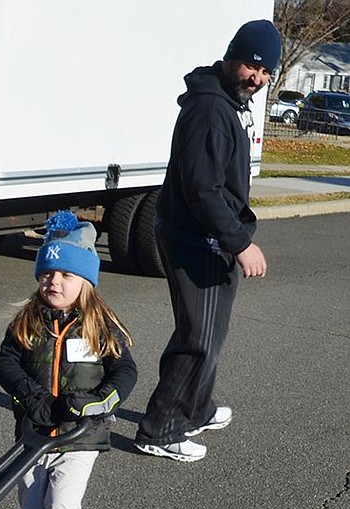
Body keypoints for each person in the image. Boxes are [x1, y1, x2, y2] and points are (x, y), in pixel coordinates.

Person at [134, 19, 282, 462]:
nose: (256, 78)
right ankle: (160, 428)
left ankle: (195, 407)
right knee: (197, 336)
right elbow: (203, 190)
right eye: (250, 67)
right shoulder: (210, 111)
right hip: (197, 239)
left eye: (265, 72)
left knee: (210, 333)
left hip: (203, 236)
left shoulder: (223, 102)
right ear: (231, 58)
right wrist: (239, 242)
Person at [0, 212, 137, 509]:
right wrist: (29, 395)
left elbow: (125, 373)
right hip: (33, 436)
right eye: (46, 274)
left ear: (86, 282)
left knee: (61, 508)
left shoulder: (101, 326)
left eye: (65, 275)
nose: (53, 282)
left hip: (79, 438)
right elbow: (5, 364)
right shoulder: (27, 321)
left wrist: (96, 403)